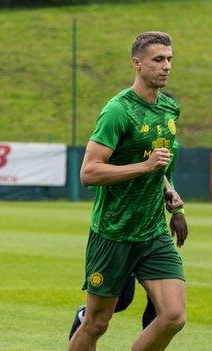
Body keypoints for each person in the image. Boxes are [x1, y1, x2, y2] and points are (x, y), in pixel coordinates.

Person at [69, 31, 186, 351]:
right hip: (113, 232)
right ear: (137, 63)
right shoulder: (118, 110)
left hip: (152, 232)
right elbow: (89, 173)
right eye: (158, 60)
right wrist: (145, 168)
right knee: (96, 323)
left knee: (174, 316)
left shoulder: (169, 108)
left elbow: (159, 162)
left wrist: (171, 198)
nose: (166, 67)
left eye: (169, 60)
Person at [68, 141, 188, 339]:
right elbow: (93, 174)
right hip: (119, 231)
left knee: (164, 307)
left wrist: (177, 210)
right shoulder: (124, 131)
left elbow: (165, 175)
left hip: (152, 230)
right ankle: (84, 317)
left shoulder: (169, 137)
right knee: (122, 300)